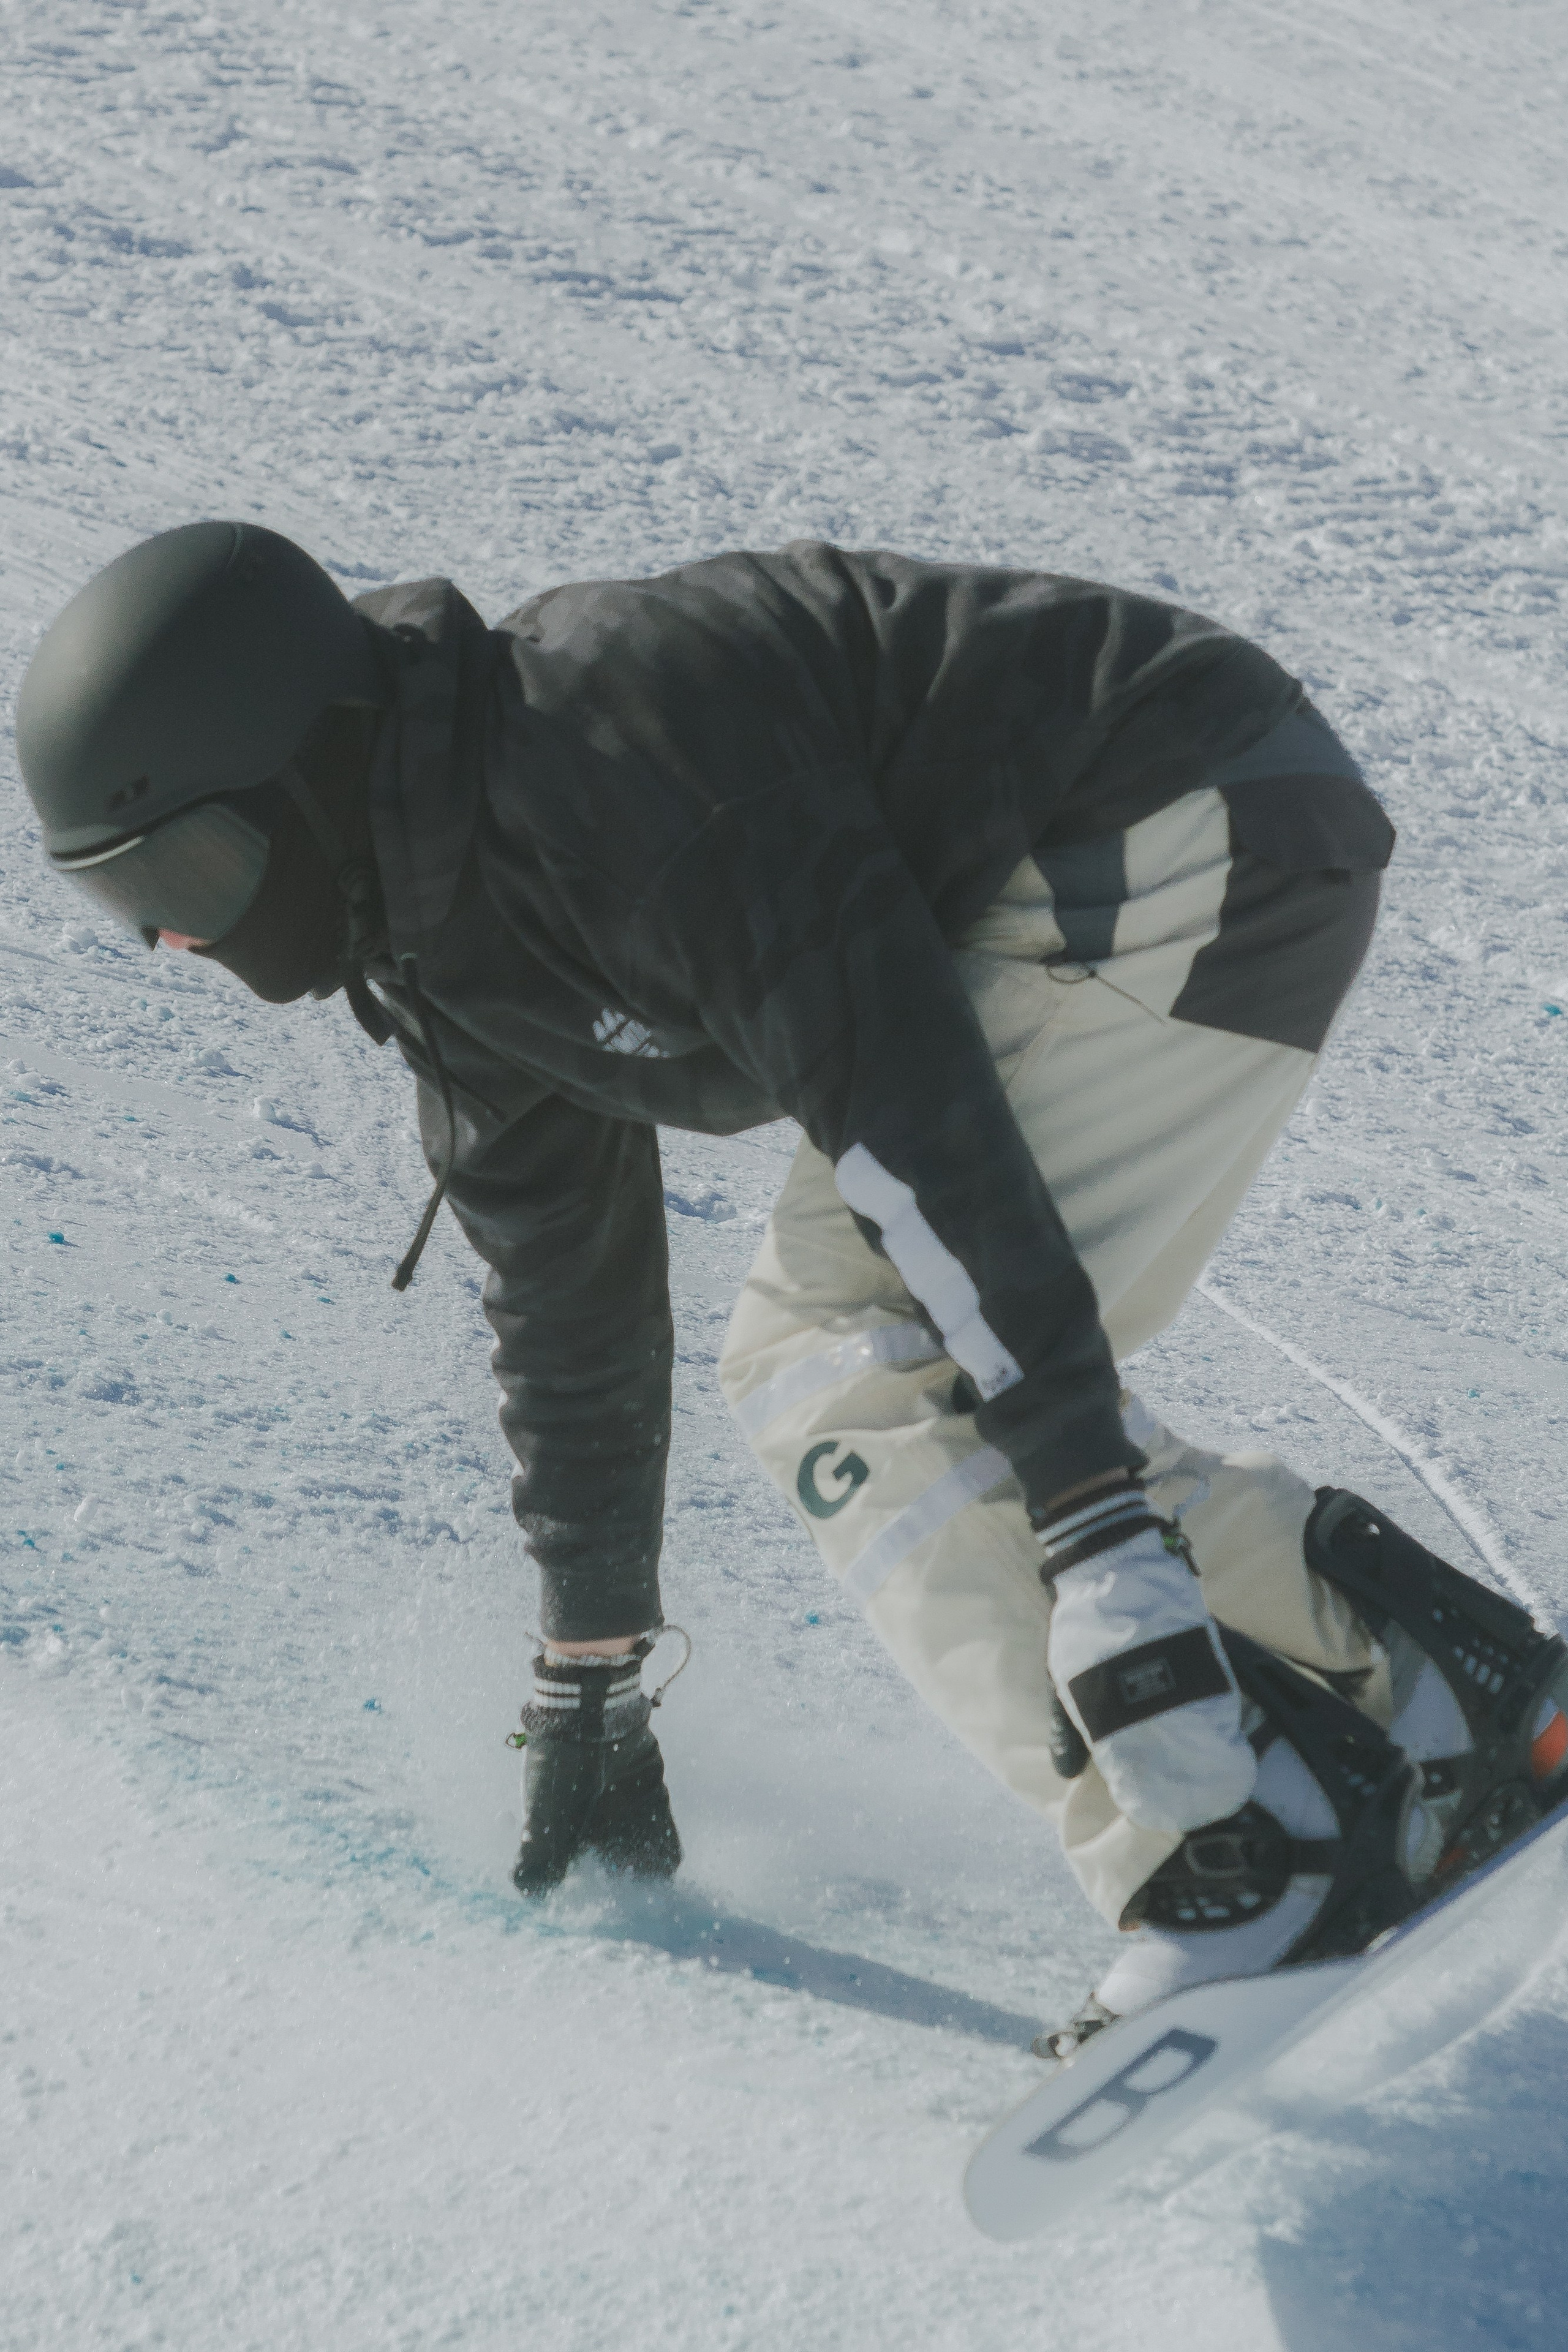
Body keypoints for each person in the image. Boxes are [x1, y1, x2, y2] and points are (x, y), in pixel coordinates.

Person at [17, 520, 1568, 2054]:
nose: (180, 933)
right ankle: (1453, 1690)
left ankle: (1236, 1860)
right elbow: (569, 1307)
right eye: (134, 907)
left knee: (845, 1359)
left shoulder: (610, 746)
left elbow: (907, 1113)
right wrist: (591, 1658)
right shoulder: (441, 940)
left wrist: (1096, 1524)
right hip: (1190, 840)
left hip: (1164, 829)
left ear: (309, 759)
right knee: (892, 1365)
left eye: (194, 870)